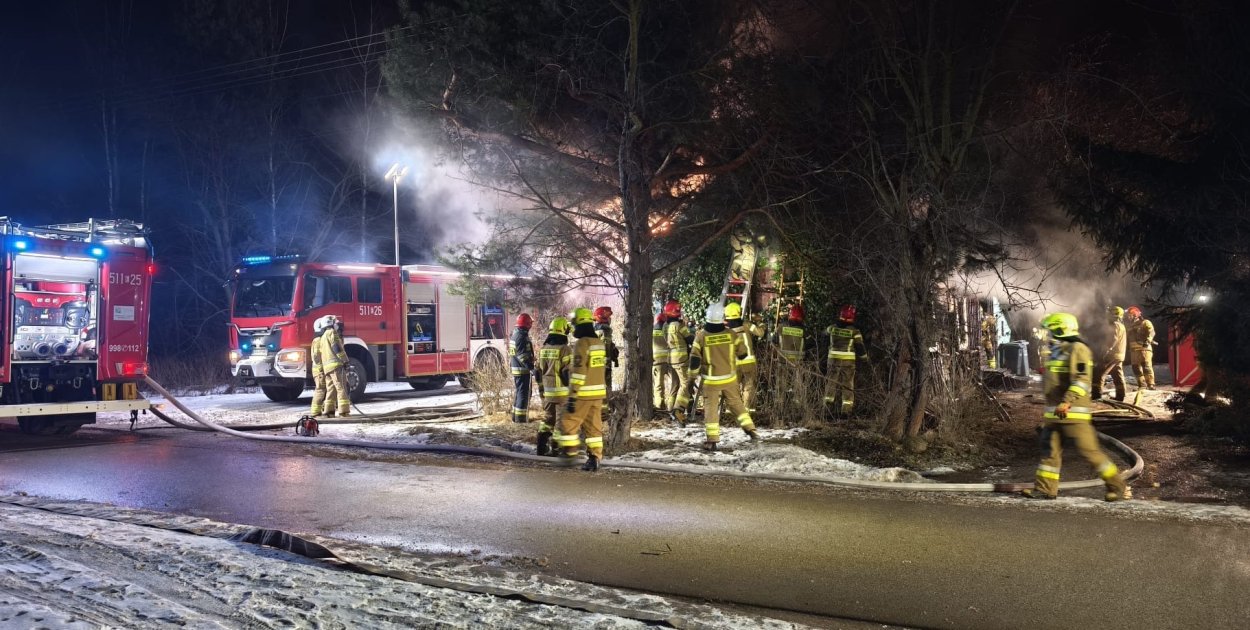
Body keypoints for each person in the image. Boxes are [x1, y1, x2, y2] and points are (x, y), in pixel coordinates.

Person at [1023, 313, 1130, 502]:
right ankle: (1045, 490)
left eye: (1050, 330)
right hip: (1054, 415)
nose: (1047, 334)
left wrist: (1067, 401)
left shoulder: (1078, 349)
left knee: (1090, 452)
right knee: (1050, 454)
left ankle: (1118, 487)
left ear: (1060, 329)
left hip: (1073, 414)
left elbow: (1082, 380)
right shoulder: (1057, 350)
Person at [690, 303, 760, 451]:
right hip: (729, 379)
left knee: (711, 410)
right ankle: (751, 430)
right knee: (737, 405)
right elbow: (742, 353)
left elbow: (694, 359)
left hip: (711, 381)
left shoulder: (701, 336)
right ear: (723, 319)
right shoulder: (731, 334)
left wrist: (691, 377)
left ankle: (712, 440)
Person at [556, 307, 608, 471]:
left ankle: (569, 454)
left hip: (582, 394)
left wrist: (572, 396)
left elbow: (579, 371)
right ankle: (594, 459)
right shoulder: (599, 343)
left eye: (574, 324)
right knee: (594, 429)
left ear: (578, 325)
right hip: (598, 394)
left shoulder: (582, 343)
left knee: (568, 421)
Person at [535, 316, 572, 456]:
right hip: (562, 393)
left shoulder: (543, 349)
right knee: (561, 422)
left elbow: (538, 371)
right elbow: (567, 373)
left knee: (548, 419)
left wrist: (542, 391)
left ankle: (541, 445)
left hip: (547, 392)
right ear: (563, 330)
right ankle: (556, 449)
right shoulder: (565, 349)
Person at [823, 304, 867, 416]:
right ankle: (846, 411)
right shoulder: (855, 332)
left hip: (833, 361)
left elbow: (824, 333)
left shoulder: (832, 328)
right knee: (848, 385)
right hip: (848, 362)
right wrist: (864, 358)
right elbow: (860, 347)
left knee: (831, 383)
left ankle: (827, 409)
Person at [310, 315, 350, 418]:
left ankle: (328, 411)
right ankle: (343, 412)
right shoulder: (332, 333)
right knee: (341, 388)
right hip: (336, 366)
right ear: (330, 324)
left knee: (331, 389)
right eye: (335, 323)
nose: (337, 325)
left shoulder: (322, 338)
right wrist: (345, 360)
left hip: (327, 368)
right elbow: (337, 348)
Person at [724, 302, 760, 411]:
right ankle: (748, 409)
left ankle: (731, 410)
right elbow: (760, 333)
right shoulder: (747, 325)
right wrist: (760, 323)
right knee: (749, 387)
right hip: (749, 362)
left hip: (733, 364)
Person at [665, 300, 694, 420]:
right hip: (681, 359)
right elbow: (690, 339)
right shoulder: (679, 326)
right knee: (686, 384)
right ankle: (678, 410)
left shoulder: (665, 326)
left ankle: (670, 409)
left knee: (675, 385)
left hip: (671, 359)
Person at [1093, 306, 1127, 401]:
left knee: (1099, 373)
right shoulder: (1121, 325)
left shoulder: (1115, 325)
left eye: (1110, 313)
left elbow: (1113, 339)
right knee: (1117, 375)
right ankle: (1121, 396)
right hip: (1119, 355)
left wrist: (1107, 349)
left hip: (1112, 355)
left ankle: (1096, 395)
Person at [509, 313, 535, 423]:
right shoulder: (520, 336)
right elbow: (522, 356)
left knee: (520, 393)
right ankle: (520, 419)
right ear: (527, 324)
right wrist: (531, 368)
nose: (531, 325)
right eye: (530, 323)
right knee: (523, 394)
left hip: (518, 369)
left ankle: (516, 417)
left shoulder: (517, 334)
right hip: (522, 370)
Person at [1125, 306, 1156, 390]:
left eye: (1130, 315)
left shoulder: (1145, 322)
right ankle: (1142, 385)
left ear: (1135, 314)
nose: (1129, 317)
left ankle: (1150, 385)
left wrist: (1148, 340)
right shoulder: (1130, 326)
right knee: (1136, 368)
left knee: (1146, 367)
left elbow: (1152, 332)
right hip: (1133, 351)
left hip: (1144, 349)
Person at [593, 306, 620, 399]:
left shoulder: (595, 330)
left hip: (595, 364)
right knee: (606, 387)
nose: (610, 319)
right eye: (608, 317)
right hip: (604, 364)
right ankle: (605, 407)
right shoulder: (605, 331)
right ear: (603, 318)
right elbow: (606, 348)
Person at [652, 312, 672, 412]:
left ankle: (660, 407)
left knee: (658, 386)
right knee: (675, 384)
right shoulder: (667, 330)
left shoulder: (650, 332)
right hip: (670, 362)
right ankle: (674, 407)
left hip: (656, 363)